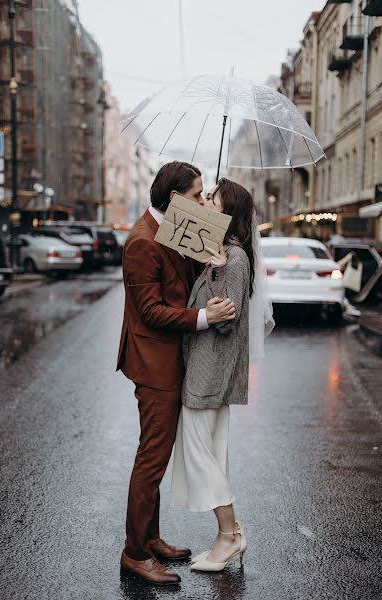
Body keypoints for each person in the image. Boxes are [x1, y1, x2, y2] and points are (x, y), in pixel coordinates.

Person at [117, 162, 236, 586]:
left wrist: (211, 253)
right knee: (151, 459)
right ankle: (135, 553)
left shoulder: (173, 232)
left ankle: (150, 538)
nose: (204, 201)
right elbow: (149, 311)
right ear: (175, 198)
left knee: (159, 455)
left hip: (171, 359)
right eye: (197, 194)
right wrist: (204, 317)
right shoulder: (142, 243)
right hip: (154, 364)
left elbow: (185, 282)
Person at [171, 177, 274, 572]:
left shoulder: (233, 258)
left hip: (210, 372)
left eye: (210, 197)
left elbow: (227, 320)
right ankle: (228, 535)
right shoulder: (222, 253)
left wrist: (214, 269)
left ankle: (229, 536)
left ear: (226, 211)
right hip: (206, 368)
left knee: (201, 455)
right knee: (209, 453)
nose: (204, 201)